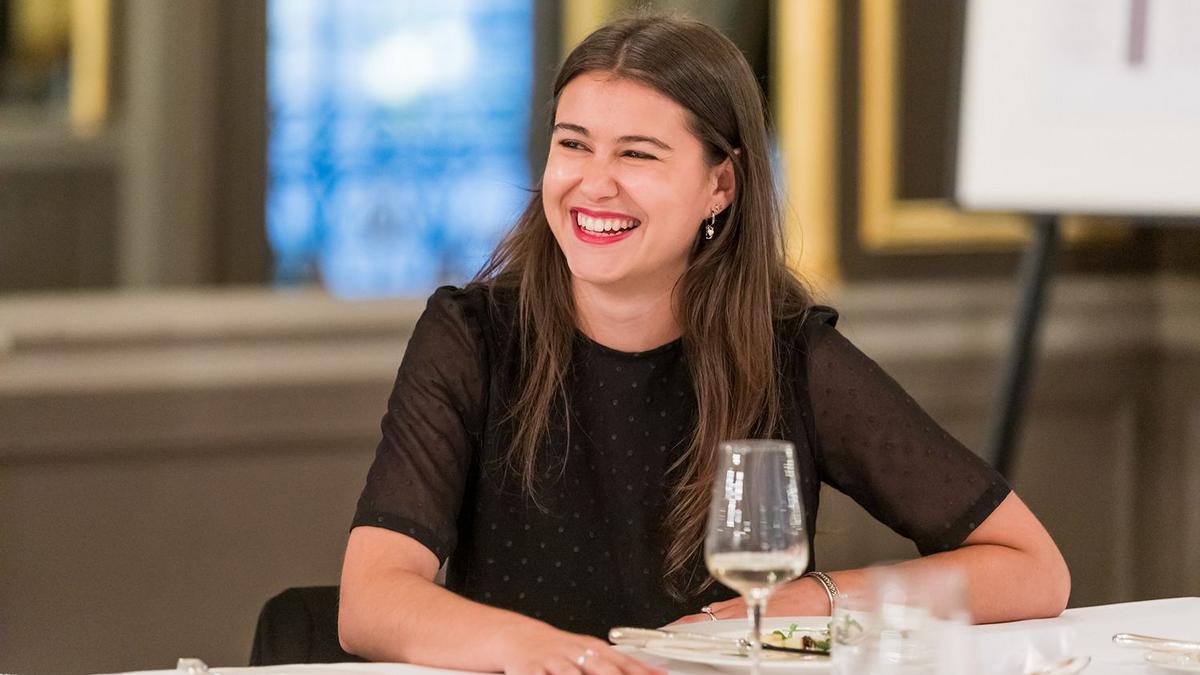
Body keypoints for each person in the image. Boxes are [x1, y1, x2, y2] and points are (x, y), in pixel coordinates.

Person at [337, 14, 1070, 675]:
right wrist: (544, 652)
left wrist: (816, 598)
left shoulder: (791, 357)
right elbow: (370, 599)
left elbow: (1032, 567)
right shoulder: (471, 336)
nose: (594, 183)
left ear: (720, 185)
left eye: (638, 154)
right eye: (573, 144)